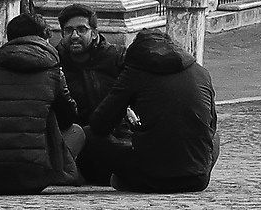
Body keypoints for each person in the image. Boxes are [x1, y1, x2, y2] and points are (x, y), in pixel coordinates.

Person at [0, 13, 78, 196]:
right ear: (44, 39)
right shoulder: (54, 75)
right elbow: (68, 120)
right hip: (36, 175)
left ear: (9, 40)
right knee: (76, 131)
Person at [82, 27, 219, 194]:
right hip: (197, 179)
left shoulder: (135, 72)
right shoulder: (201, 72)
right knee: (215, 138)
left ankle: (124, 178)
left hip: (151, 178)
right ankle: (191, 171)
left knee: (89, 135)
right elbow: (212, 125)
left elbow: (99, 124)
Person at [54, 4, 130, 184]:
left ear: (94, 33)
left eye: (81, 30)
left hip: (112, 136)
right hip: (74, 139)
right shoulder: (54, 61)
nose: (74, 36)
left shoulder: (117, 58)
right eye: (69, 30)